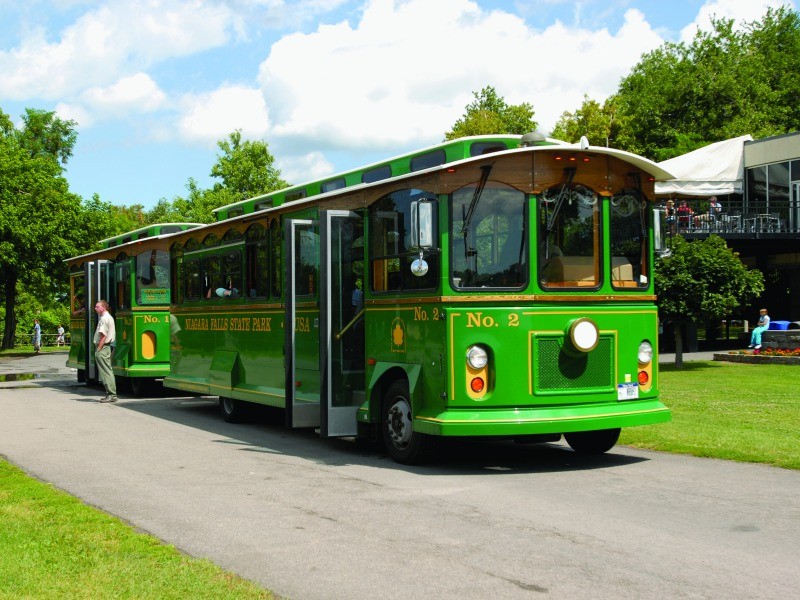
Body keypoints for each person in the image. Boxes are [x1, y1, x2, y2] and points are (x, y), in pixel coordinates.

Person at [93, 299, 118, 403]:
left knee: (106, 372)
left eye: (97, 307)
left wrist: (98, 349)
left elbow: (103, 335)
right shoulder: (109, 317)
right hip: (106, 346)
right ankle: (111, 394)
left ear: (103, 307)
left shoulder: (104, 319)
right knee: (107, 370)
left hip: (103, 347)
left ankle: (111, 394)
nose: (95, 308)